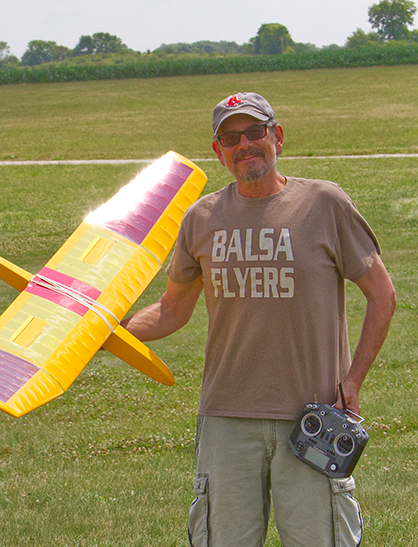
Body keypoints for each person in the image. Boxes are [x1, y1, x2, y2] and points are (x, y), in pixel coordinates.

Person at [122, 92, 396, 546]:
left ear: (278, 137)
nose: (244, 144)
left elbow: (382, 295)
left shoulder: (325, 204)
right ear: (218, 152)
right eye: (231, 137)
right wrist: (104, 331)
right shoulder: (201, 218)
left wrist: (353, 382)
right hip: (227, 420)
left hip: (313, 417)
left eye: (255, 132)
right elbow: (172, 310)